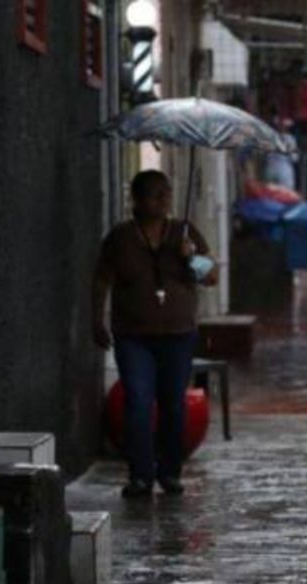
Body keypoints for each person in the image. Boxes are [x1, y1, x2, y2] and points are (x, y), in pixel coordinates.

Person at [91, 170, 219, 499]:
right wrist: (97, 320)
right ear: (136, 199)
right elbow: (102, 279)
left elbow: (212, 276)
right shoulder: (120, 238)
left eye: (167, 193)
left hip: (178, 335)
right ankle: (140, 475)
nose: (163, 200)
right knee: (137, 400)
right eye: (154, 194)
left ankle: (170, 472)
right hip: (133, 335)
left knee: (173, 404)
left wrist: (192, 258)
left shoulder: (184, 233)